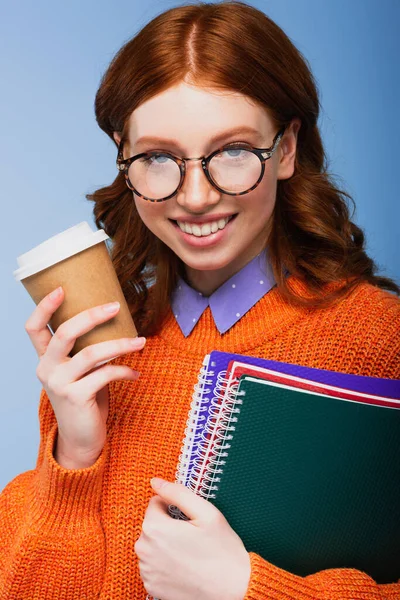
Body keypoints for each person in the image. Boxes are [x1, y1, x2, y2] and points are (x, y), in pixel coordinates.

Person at [1, 1, 399, 598]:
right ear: (123, 155)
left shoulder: (376, 335)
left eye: (234, 152)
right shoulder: (98, 350)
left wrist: (246, 587)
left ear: (287, 148)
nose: (194, 196)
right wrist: (75, 461)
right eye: (158, 158)